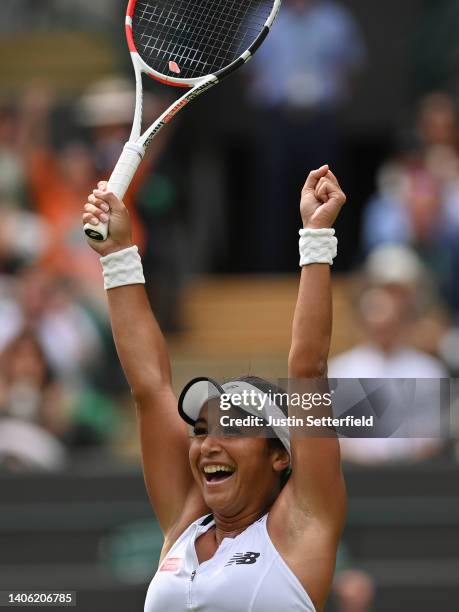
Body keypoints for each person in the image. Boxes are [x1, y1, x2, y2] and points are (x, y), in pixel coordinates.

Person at [82, 165, 347, 611]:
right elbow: (150, 388)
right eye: (202, 430)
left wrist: (316, 237)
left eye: (233, 430)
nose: (209, 445)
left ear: (280, 454)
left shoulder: (302, 524)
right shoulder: (185, 523)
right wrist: (117, 254)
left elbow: (307, 366)